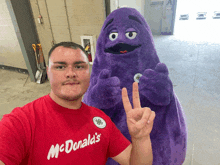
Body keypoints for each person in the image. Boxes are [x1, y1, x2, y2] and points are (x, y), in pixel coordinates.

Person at [0, 41, 155, 165]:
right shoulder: (20, 122)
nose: (71, 74)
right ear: (48, 72)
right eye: (60, 66)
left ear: (89, 71)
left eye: (79, 66)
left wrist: (140, 138)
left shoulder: (100, 120)